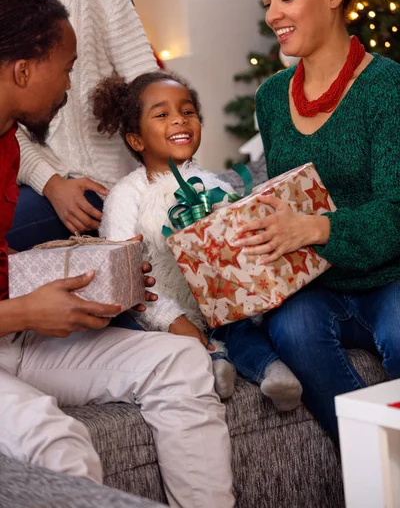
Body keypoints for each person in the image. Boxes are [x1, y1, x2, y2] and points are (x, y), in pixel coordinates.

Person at [0, 0, 235, 508]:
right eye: (65, 68)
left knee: (180, 361)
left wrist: (79, 280)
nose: (68, 88)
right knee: (57, 442)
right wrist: (26, 311)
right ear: (22, 70)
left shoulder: (9, 147)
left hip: (13, 337)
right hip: (10, 328)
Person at [232, 0, 400, 444]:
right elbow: (284, 199)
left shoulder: (389, 88)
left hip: (390, 275)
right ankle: (374, 465)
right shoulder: (272, 100)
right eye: (267, 3)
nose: (274, 14)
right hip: (317, 285)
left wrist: (316, 227)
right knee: (292, 328)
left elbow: (397, 211)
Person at [92, 69, 303, 410]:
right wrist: (173, 321)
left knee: (243, 330)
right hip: (159, 309)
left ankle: (272, 373)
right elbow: (123, 278)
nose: (180, 120)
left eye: (187, 111)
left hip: (217, 308)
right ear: (136, 140)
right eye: (163, 115)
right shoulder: (127, 195)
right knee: (155, 336)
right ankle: (213, 362)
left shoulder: (214, 186)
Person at [1, 0, 158, 251]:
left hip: (105, 188)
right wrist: (51, 183)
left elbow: (148, 86)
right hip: (39, 186)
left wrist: (172, 180)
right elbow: (4, 117)